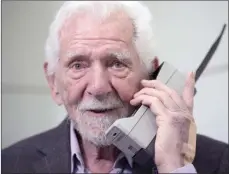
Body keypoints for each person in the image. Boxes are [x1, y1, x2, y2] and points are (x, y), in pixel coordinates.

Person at [2, 1, 228, 174]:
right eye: (78, 65)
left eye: (117, 63)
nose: (98, 88)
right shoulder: (10, 164)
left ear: (152, 76)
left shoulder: (219, 162)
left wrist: (174, 166)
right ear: (53, 83)